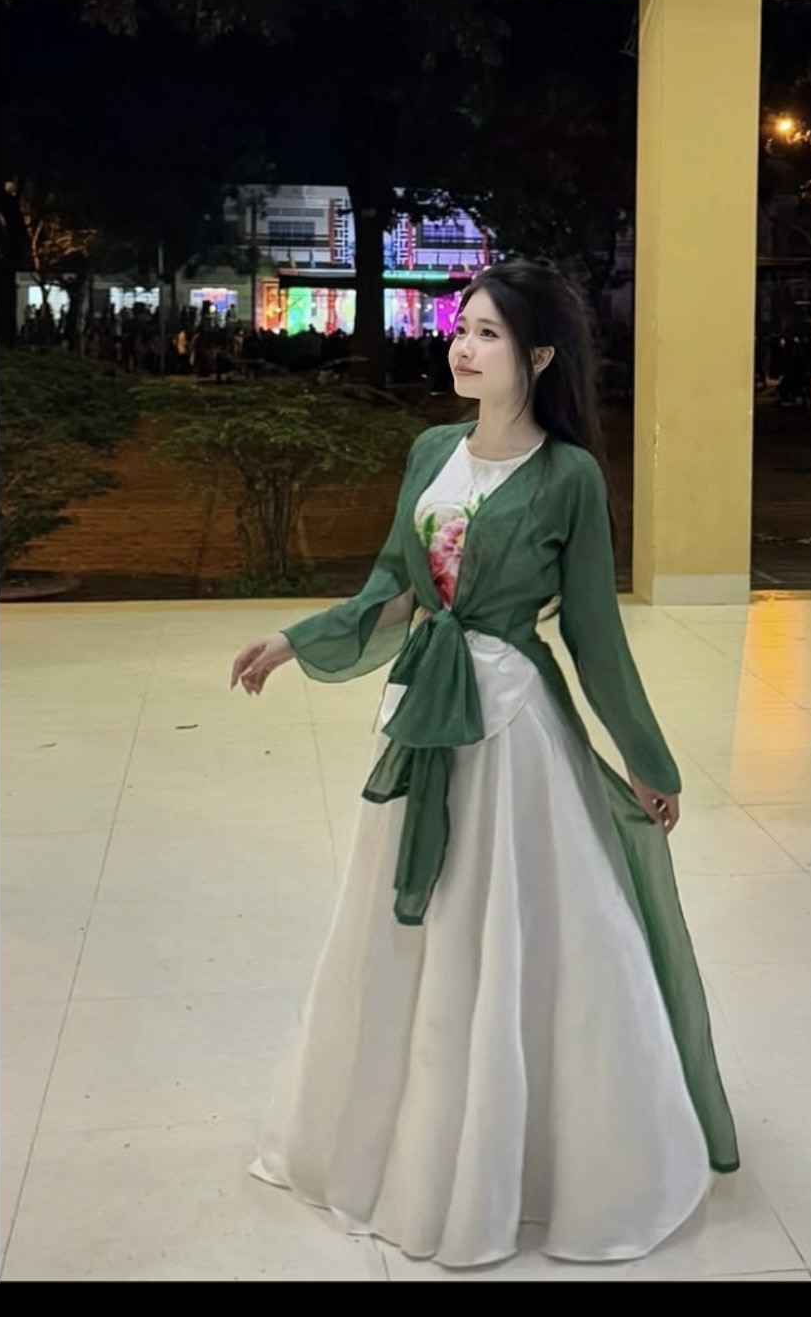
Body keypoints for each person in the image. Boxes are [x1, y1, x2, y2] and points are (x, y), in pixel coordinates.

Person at [230, 258, 738, 1270]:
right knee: (415, 926)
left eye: (489, 334)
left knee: (517, 930)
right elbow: (393, 586)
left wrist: (648, 759)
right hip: (424, 715)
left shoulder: (568, 475)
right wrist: (295, 640)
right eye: (461, 328)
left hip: (514, 735)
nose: (462, 348)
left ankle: (542, 1150)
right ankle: (410, 1136)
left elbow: (592, 632)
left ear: (539, 356)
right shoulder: (432, 451)